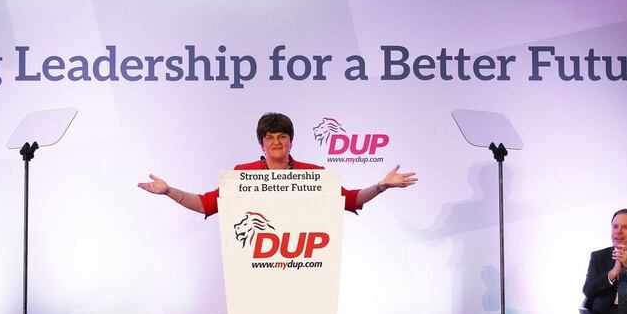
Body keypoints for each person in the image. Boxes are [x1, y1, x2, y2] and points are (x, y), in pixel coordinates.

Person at [137, 112, 417, 215]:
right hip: (256, 268)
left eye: (282, 136)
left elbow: (350, 200)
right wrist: (169, 191)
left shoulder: (314, 174)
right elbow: (206, 204)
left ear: (291, 141)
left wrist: (381, 186)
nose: (276, 142)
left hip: (305, 265)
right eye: (269, 137)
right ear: (261, 144)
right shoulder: (242, 175)